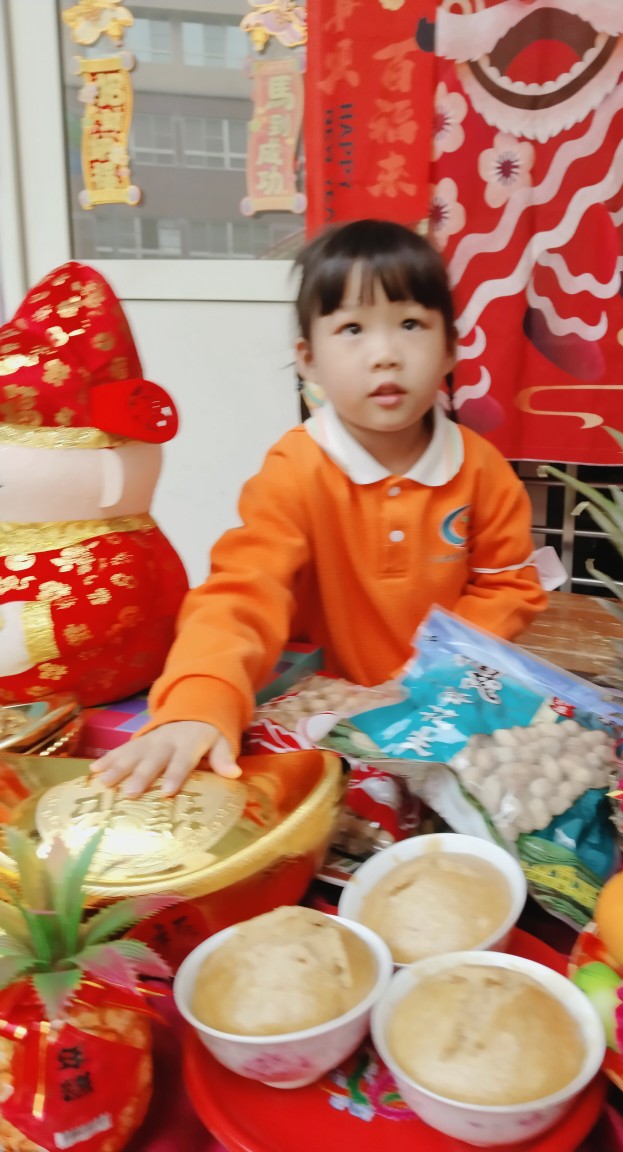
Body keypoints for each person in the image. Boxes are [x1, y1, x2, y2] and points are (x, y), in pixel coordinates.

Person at [91, 218, 550, 798]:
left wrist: (432, 676)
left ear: (450, 348)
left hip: (446, 714)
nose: (385, 355)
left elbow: (507, 588)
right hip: (317, 723)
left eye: (410, 324)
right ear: (308, 359)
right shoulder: (296, 469)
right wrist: (201, 697)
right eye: (352, 328)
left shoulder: (482, 471)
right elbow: (242, 592)